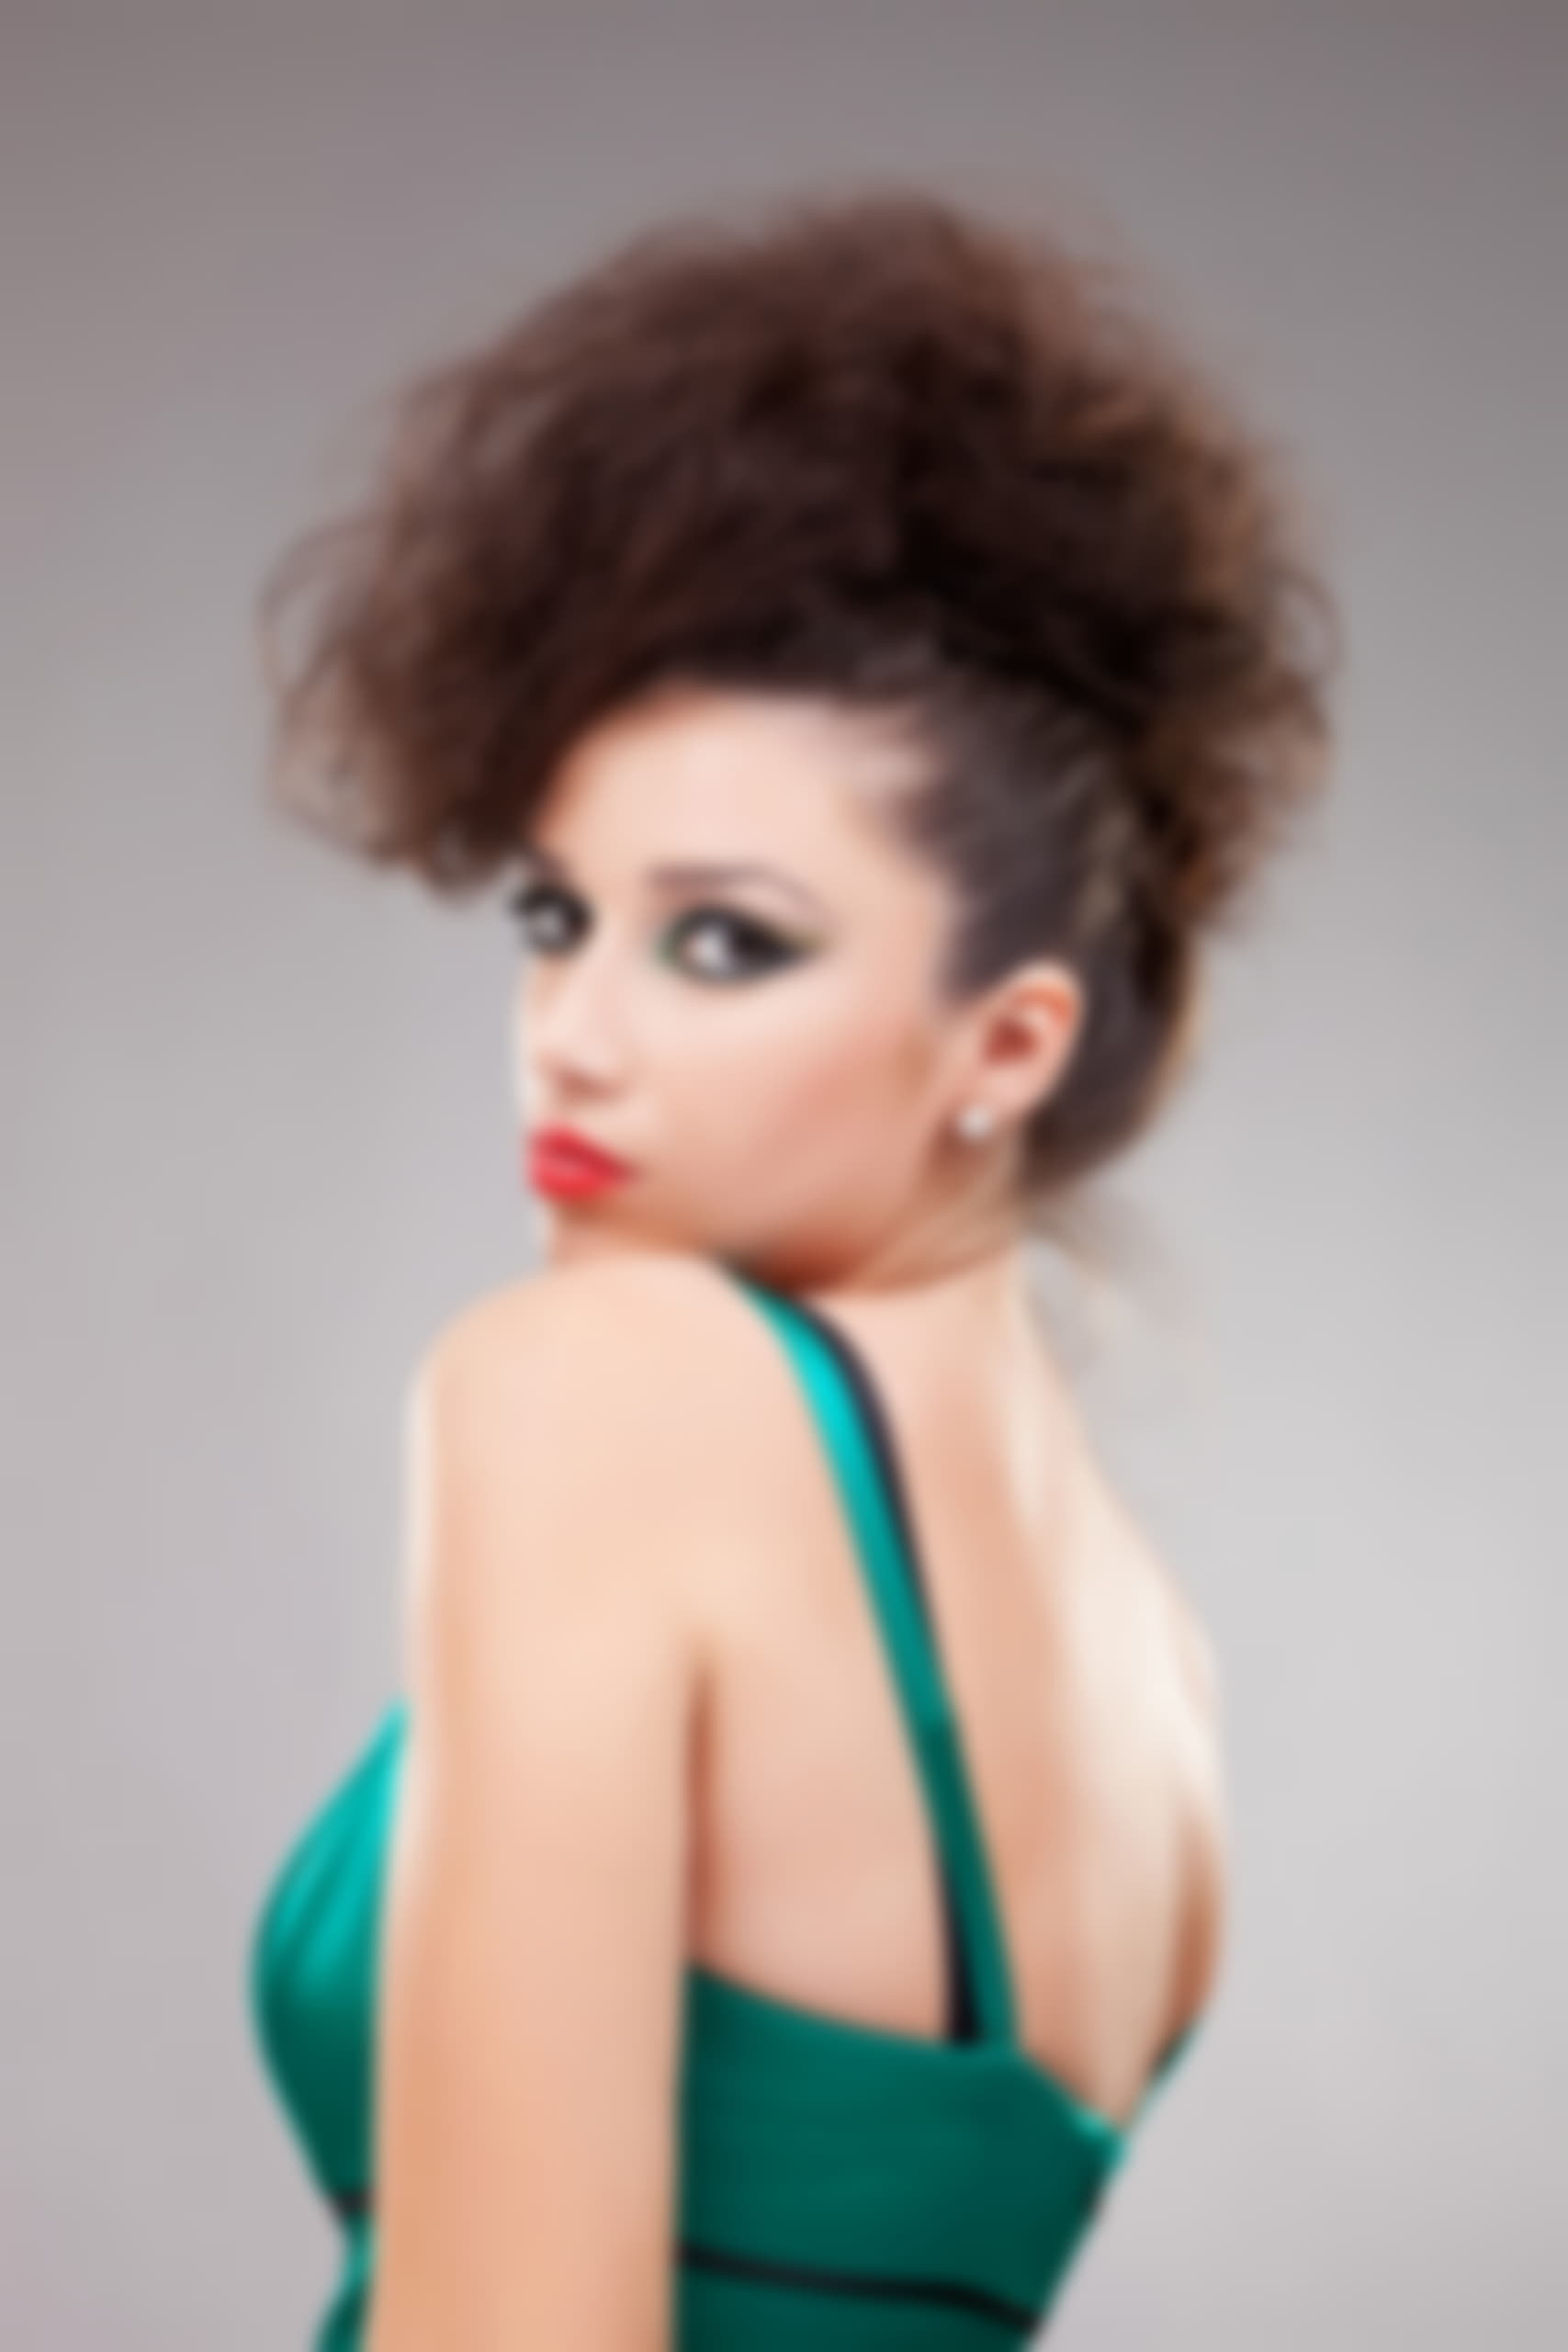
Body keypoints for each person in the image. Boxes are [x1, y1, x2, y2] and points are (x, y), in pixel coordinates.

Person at [247, 186, 1337, 2347]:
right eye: (556, 917)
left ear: (1004, 1042)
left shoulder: (601, 1390)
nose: (570, 1033)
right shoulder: (1157, 1671)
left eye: (725, 942)